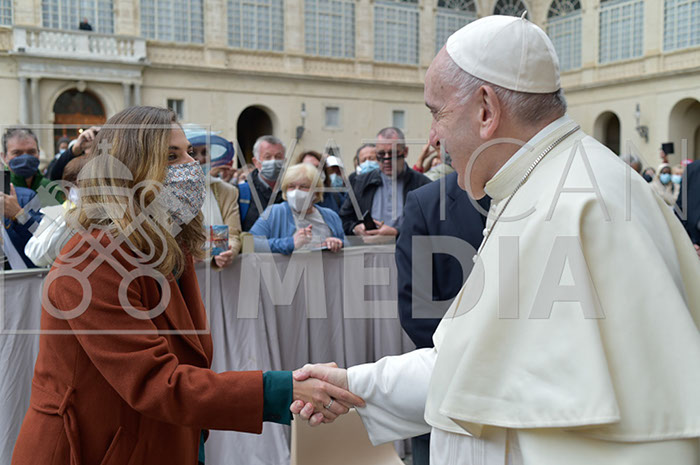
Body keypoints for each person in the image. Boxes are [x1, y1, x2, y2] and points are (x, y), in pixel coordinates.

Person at [292, 15, 700, 464]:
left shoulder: (569, 205)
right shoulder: (546, 184)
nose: (433, 137)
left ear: (486, 110)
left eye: (437, 112)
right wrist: (354, 384)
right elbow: (471, 367)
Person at [11, 106, 364, 465]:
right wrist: (282, 389)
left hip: (152, 440)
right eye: (171, 156)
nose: (191, 166)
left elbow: (184, 363)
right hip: (90, 450)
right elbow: (154, 382)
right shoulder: (94, 258)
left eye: (189, 152)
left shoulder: (164, 241)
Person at [394, 171, 489, 464]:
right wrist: (473, 359)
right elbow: (417, 306)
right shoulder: (426, 202)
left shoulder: (540, 193)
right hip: (448, 383)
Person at [339, 127, 430, 237]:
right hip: (369, 246)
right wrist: (355, 228)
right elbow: (345, 219)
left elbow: (430, 225)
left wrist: (397, 233)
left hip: (407, 247)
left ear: (405, 152)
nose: (387, 160)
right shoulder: (360, 182)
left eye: (392, 153)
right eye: (381, 154)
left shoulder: (423, 185)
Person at [249, 163, 344, 255]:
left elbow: (346, 244)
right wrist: (290, 243)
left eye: (303, 186)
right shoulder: (274, 212)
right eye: (291, 186)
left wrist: (337, 243)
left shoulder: (331, 216)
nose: (296, 191)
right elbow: (251, 243)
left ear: (316, 191)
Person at [188, 134, 242, 268]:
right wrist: (184, 255)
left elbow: (233, 235)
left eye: (204, 152)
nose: (200, 158)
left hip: (216, 271)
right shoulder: (165, 191)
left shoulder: (227, 191)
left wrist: (229, 252)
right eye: (193, 153)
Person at [24, 156, 88, 267]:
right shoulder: (57, 212)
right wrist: (69, 218)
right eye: (72, 183)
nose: (77, 188)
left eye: (84, 184)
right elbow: (36, 255)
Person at [239, 135, 285, 231]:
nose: (273, 161)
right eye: (267, 157)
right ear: (256, 162)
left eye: (278, 157)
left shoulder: (292, 190)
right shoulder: (241, 193)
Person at [2, 128, 55, 195]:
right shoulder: (2, 188)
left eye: (31, 152)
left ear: (38, 153)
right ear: (4, 157)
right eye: (17, 152)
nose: (25, 158)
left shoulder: (51, 189)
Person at [676, 159, 700, 258]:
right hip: (693, 242)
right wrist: (690, 242)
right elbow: (680, 207)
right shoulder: (692, 169)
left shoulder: (692, 168)